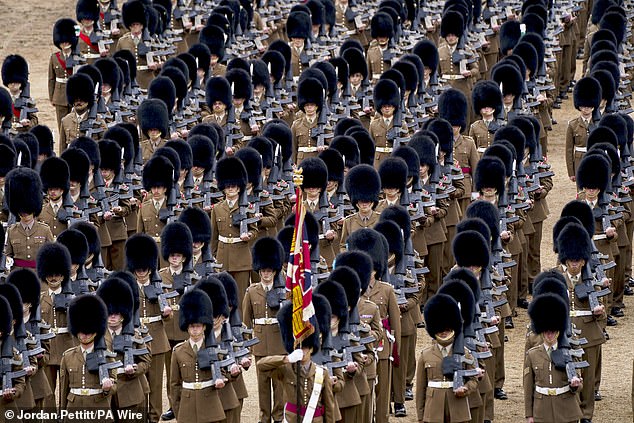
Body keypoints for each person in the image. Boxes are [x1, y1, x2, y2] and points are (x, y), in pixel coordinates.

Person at [257, 295, 336, 423]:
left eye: (305, 348)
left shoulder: (322, 373)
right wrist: (286, 359)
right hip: (291, 419)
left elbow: (329, 408)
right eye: (300, 348)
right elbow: (261, 365)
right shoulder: (286, 369)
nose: (302, 351)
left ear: (312, 349)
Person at [244, 236, 289, 423]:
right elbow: (246, 322)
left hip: (279, 342)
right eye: (263, 271)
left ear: (275, 270)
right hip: (260, 343)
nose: (266, 274)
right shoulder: (252, 291)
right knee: (263, 385)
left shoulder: (285, 289)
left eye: (269, 270)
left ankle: (278, 416)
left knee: (280, 385)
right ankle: (264, 417)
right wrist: (246, 349)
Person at [416, 293, 479, 423]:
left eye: (447, 329)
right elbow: (421, 390)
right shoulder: (425, 355)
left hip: (457, 407)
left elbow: (474, 380)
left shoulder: (465, 354)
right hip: (433, 409)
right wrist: (421, 416)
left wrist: (466, 389)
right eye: (440, 329)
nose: (444, 332)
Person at [96, 277, 151, 420]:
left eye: (117, 312)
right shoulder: (96, 335)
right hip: (106, 393)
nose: (113, 316)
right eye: (109, 311)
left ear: (124, 313)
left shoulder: (134, 334)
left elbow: (145, 361)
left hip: (130, 390)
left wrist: (135, 369)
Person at [169, 288, 227, 423]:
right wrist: (178, 411)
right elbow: (175, 386)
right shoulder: (178, 351)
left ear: (204, 327)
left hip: (210, 404)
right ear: (187, 328)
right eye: (192, 326)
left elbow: (224, 372)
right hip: (187, 407)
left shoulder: (213, 348)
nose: (195, 330)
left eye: (198, 326)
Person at [524, 293, 583, 423]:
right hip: (542, 410)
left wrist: (575, 385)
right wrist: (529, 414)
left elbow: (579, 385)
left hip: (567, 410)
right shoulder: (532, 354)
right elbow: (528, 387)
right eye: (546, 331)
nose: (550, 335)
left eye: (553, 331)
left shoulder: (570, 352)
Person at [59, 294, 117, 419]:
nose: (84, 335)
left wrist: (108, 388)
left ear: (96, 331)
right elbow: (64, 391)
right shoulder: (67, 356)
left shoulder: (107, 355)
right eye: (81, 331)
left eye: (88, 331)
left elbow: (115, 386)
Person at [4, 168, 54, 270]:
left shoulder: (45, 230)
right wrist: (8, 260)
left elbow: (52, 254)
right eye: (22, 212)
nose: (25, 214)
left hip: (38, 275)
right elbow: (8, 254)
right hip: (17, 275)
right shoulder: (11, 231)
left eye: (28, 211)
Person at [565, 77, 601, 182]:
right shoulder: (572, 125)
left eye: (589, 106)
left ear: (594, 106)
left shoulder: (598, 124)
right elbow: (569, 150)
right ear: (579, 106)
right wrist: (571, 172)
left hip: (596, 159)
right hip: (579, 161)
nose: (587, 108)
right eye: (584, 106)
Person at [48, 18, 78, 134]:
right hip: (59, 96)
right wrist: (52, 97)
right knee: (61, 126)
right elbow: (51, 79)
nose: (64, 44)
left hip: (74, 94)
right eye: (62, 42)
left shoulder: (77, 57)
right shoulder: (54, 57)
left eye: (67, 42)